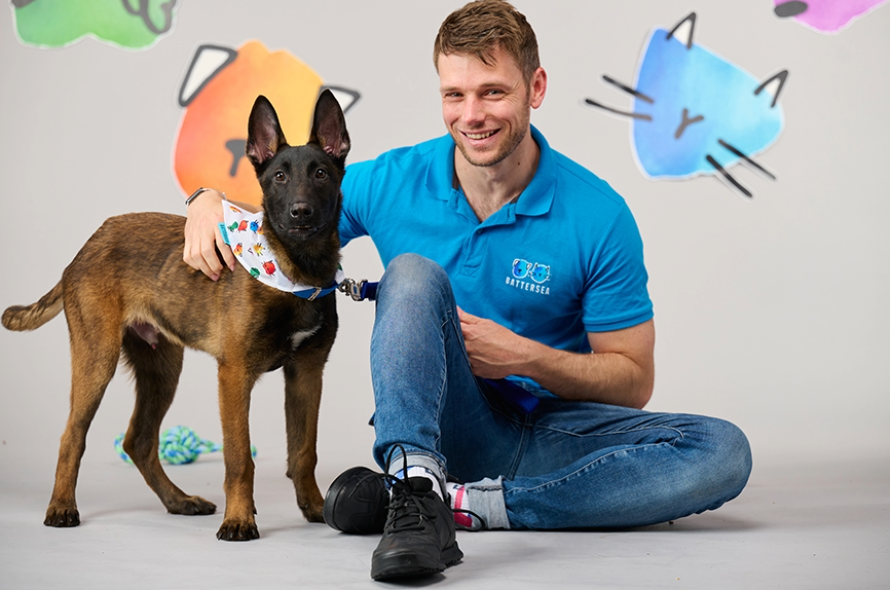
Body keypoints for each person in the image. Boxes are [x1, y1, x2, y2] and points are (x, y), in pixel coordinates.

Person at [183, 0, 752, 582]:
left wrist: (525, 357)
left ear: (536, 87)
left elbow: (633, 381)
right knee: (410, 272)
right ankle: (417, 477)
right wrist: (205, 201)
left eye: (492, 92)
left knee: (722, 451)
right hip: (450, 424)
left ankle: (451, 504)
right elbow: (288, 212)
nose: (472, 114)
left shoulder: (599, 214)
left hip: (557, 431)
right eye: (455, 94)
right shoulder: (389, 181)